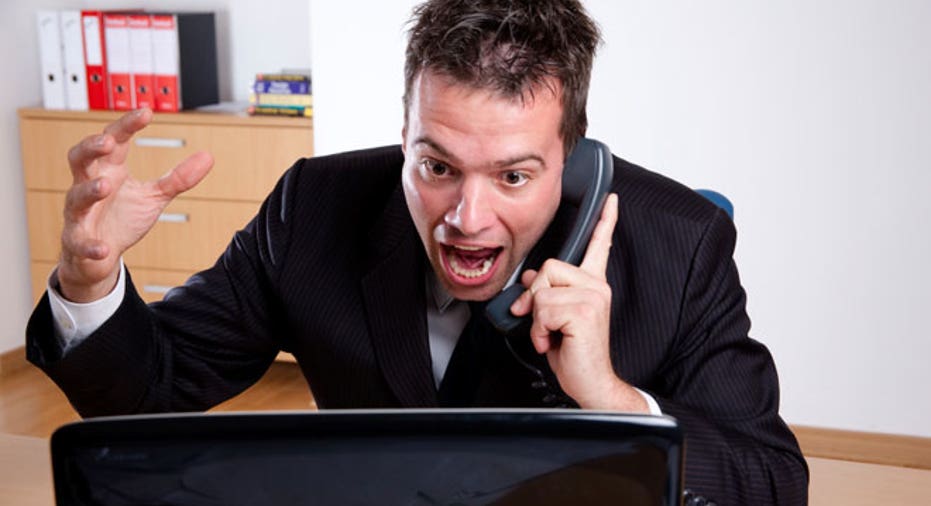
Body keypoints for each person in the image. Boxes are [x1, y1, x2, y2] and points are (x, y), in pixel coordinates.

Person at [26, 0, 808, 503]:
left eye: (513, 174)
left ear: (571, 156)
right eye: (435, 167)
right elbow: (150, 398)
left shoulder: (680, 244)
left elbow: (770, 482)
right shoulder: (315, 208)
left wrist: (608, 394)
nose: (466, 219)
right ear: (402, 136)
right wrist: (88, 281)